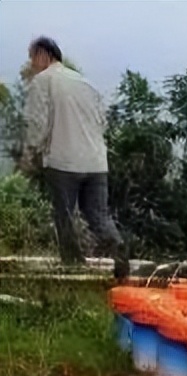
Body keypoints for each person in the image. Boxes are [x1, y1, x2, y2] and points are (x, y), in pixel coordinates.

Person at [21, 37, 128, 280]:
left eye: (32, 57)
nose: (32, 64)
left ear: (42, 54)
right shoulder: (85, 83)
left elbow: (38, 124)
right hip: (96, 161)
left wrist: (31, 154)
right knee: (98, 215)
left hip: (64, 161)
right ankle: (117, 247)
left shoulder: (43, 81)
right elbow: (103, 121)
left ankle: (72, 266)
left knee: (65, 215)